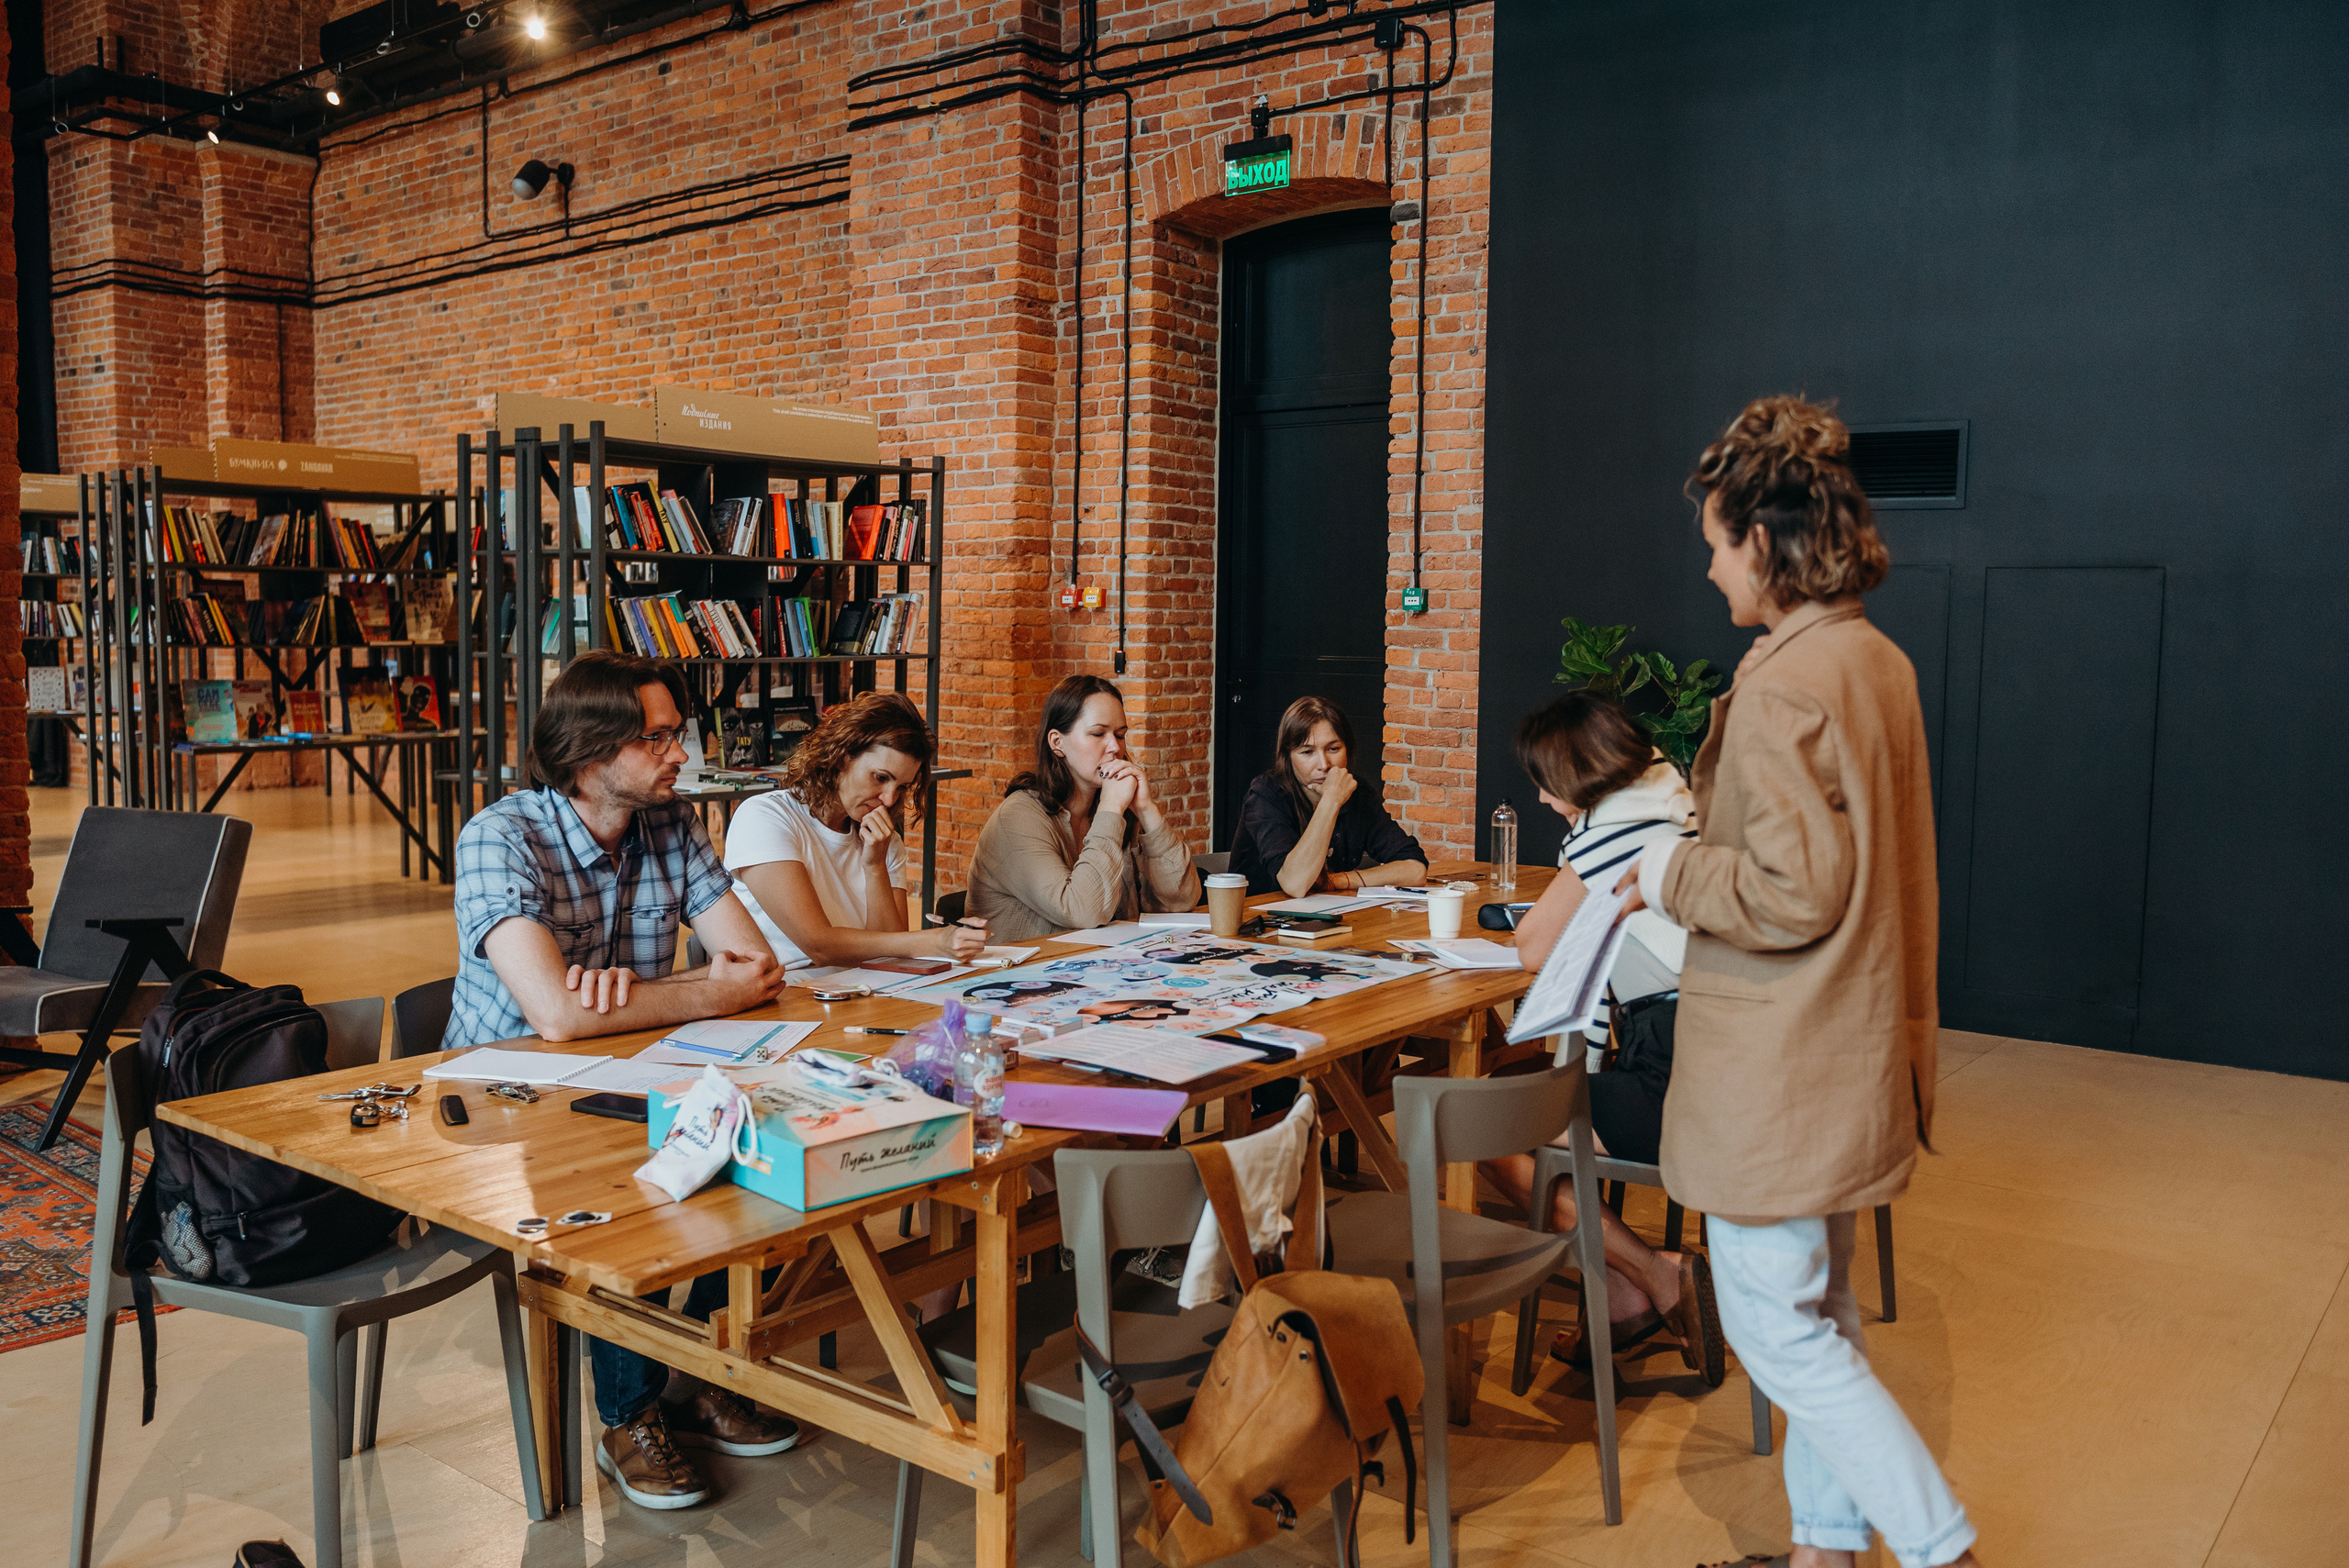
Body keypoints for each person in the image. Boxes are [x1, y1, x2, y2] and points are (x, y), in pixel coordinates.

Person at [1630, 397, 1981, 1568]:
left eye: (1721, 541)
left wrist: (1670, 867)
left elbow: (1793, 891)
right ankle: (1827, 1552)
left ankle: (1940, 1549)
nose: (1713, 564)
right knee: (1821, 1315)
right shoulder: (1872, 657)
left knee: (1780, 1338)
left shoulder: (1786, 682)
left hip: (1781, 1070)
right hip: (1852, 1048)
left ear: (1767, 542)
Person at [446, 649, 798, 1512]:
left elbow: (755, 968)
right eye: (661, 737)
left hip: (635, 1074)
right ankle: (631, 1413)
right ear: (591, 752)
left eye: (679, 733)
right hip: (501, 1107)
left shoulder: (670, 823)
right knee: (626, 1174)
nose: (684, 753)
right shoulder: (501, 835)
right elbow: (557, 1019)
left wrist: (640, 997)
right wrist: (682, 993)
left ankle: (703, 1366)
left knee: (757, 1139)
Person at [1479, 691, 1720, 1381]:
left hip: (1677, 1076)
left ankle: (1655, 1275)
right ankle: (1622, 1299)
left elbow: (1530, 948)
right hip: (1727, 1057)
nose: (1547, 803)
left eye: (1545, 786)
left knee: (1489, 1124)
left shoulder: (1612, 823)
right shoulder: (1672, 793)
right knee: (1514, 1091)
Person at [725, 691, 986, 968]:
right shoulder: (765, 817)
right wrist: (933, 941)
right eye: (881, 778)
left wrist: (875, 866)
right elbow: (819, 947)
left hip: (861, 990)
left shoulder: (885, 842)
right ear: (842, 757)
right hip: (786, 994)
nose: (889, 799)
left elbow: (889, 955)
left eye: (901, 787)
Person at [966, 674, 1200, 941]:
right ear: (1057, 742)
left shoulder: (1117, 807)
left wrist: (1146, 809)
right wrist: (1110, 808)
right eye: (1098, 734)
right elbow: (1084, 912)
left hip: (1107, 969)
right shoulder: (1018, 816)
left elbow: (1181, 900)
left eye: (1121, 735)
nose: (1115, 748)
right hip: (1025, 976)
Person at [1227, 696, 1428, 897]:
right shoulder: (1265, 795)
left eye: (1333, 749)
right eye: (1307, 752)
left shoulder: (1358, 793)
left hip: (1327, 914)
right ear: (1287, 757)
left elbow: (1415, 869)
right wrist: (1331, 799)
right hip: (1257, 918)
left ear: (1348, 749)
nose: (1324, 764)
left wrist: (1340, 880)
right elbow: (1295, 884)